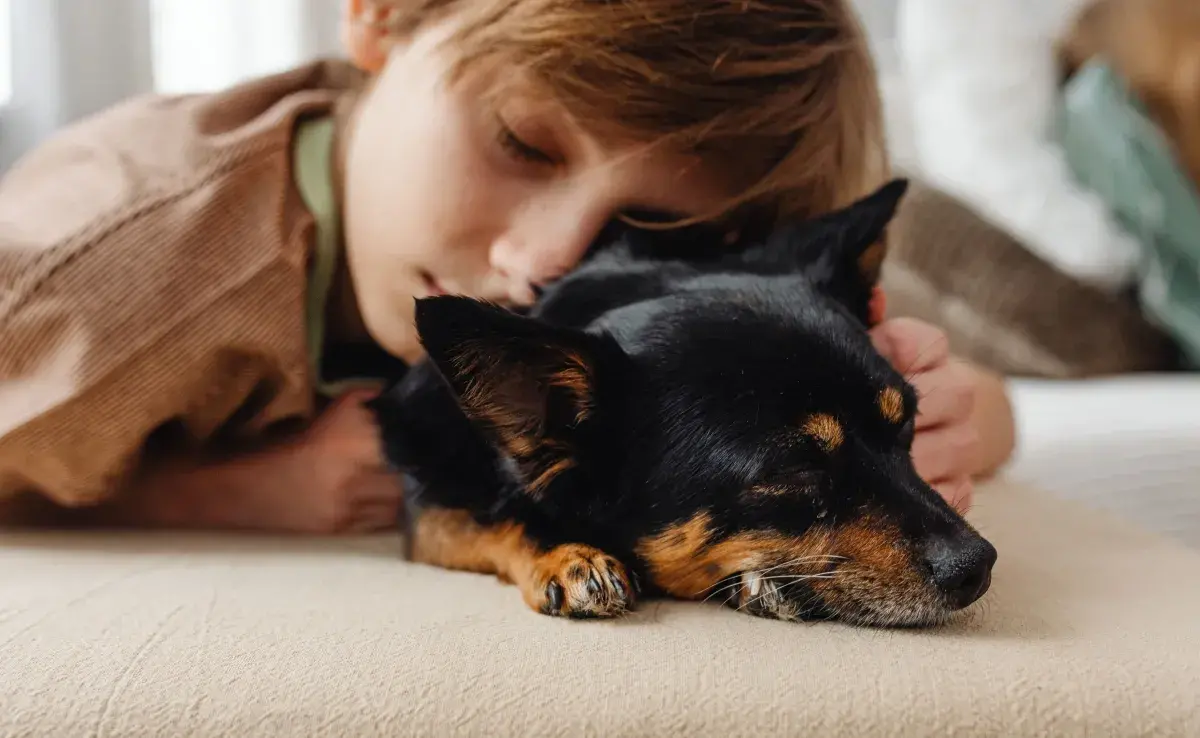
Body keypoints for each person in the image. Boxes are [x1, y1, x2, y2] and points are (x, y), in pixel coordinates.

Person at [0, 0, 1014, 534]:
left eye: (652, 226)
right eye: (521, 146)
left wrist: (947, 400)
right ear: (385, 16)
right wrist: (229, 496)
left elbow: (990, 398)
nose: (545, 262)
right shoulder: (111, 285)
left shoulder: (667, 286)